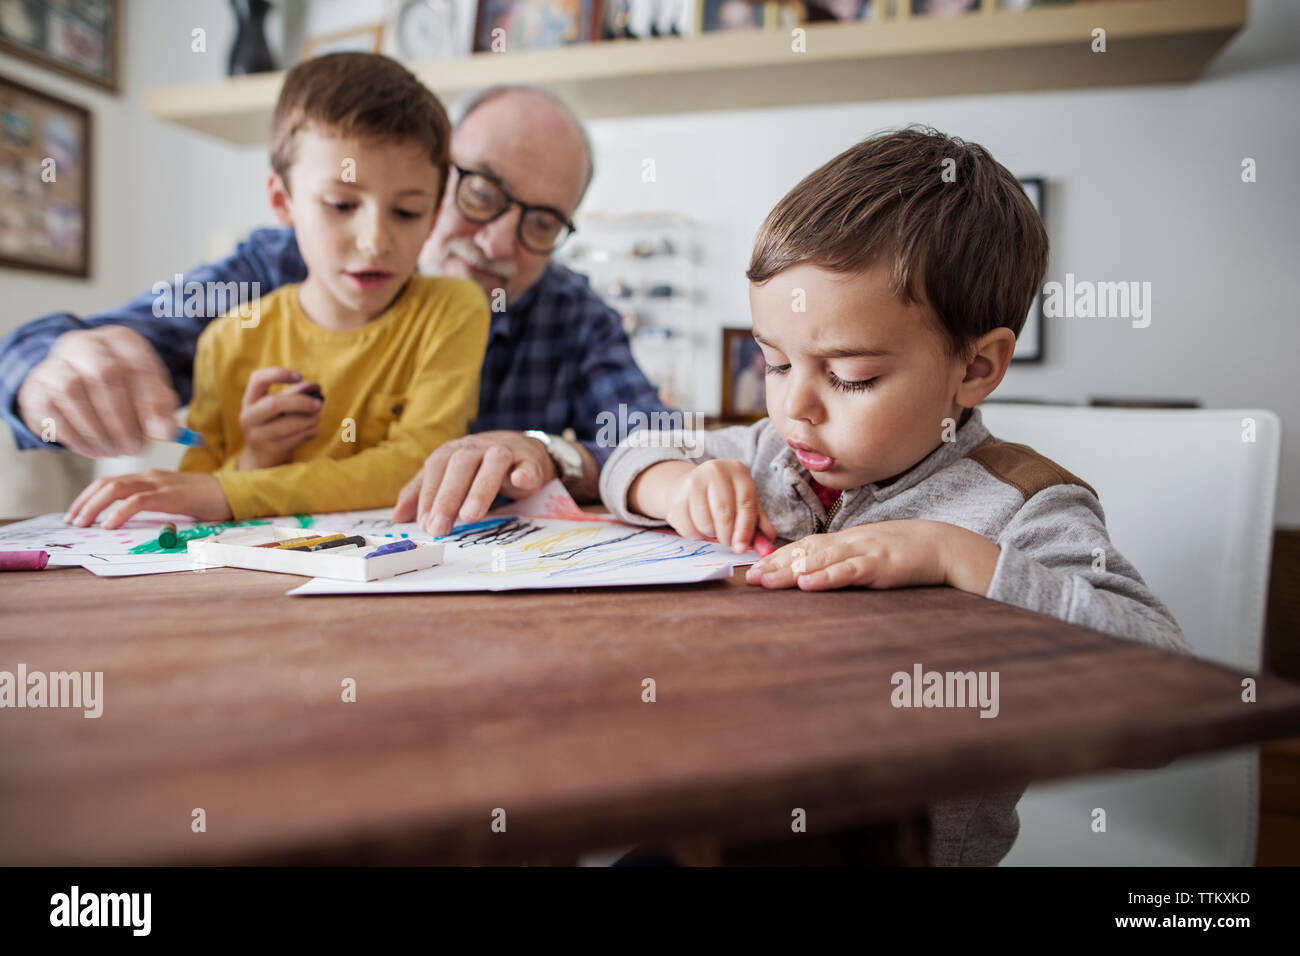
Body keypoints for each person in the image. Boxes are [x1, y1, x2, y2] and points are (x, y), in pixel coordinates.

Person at [597, 127, 1187, 865]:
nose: (795, 409)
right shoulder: (769, 454)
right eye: (775, 364)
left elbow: (1165, 690)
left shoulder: (1024, 506)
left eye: (851, 377)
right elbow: (625, 454)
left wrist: (958, 557)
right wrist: (673, 481)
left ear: (975, 368)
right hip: (720, 821)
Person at [0, 84, 671, 535]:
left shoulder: (571, 312)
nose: (498, 240)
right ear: (437, 178)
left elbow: (658, 444)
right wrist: (47, 370)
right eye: (483, 193)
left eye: (543, 223)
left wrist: (553, 453)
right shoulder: (277, 270)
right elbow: (99, 345)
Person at [63, 52, 488, 527]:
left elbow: (416, 462)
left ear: (434, 216)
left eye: (407, 212)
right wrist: (255, 459)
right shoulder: (228, 339)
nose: (375, 241)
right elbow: (199, 489)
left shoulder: (454, 308)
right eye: (341, 204)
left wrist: (234, 489)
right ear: (282, 202)